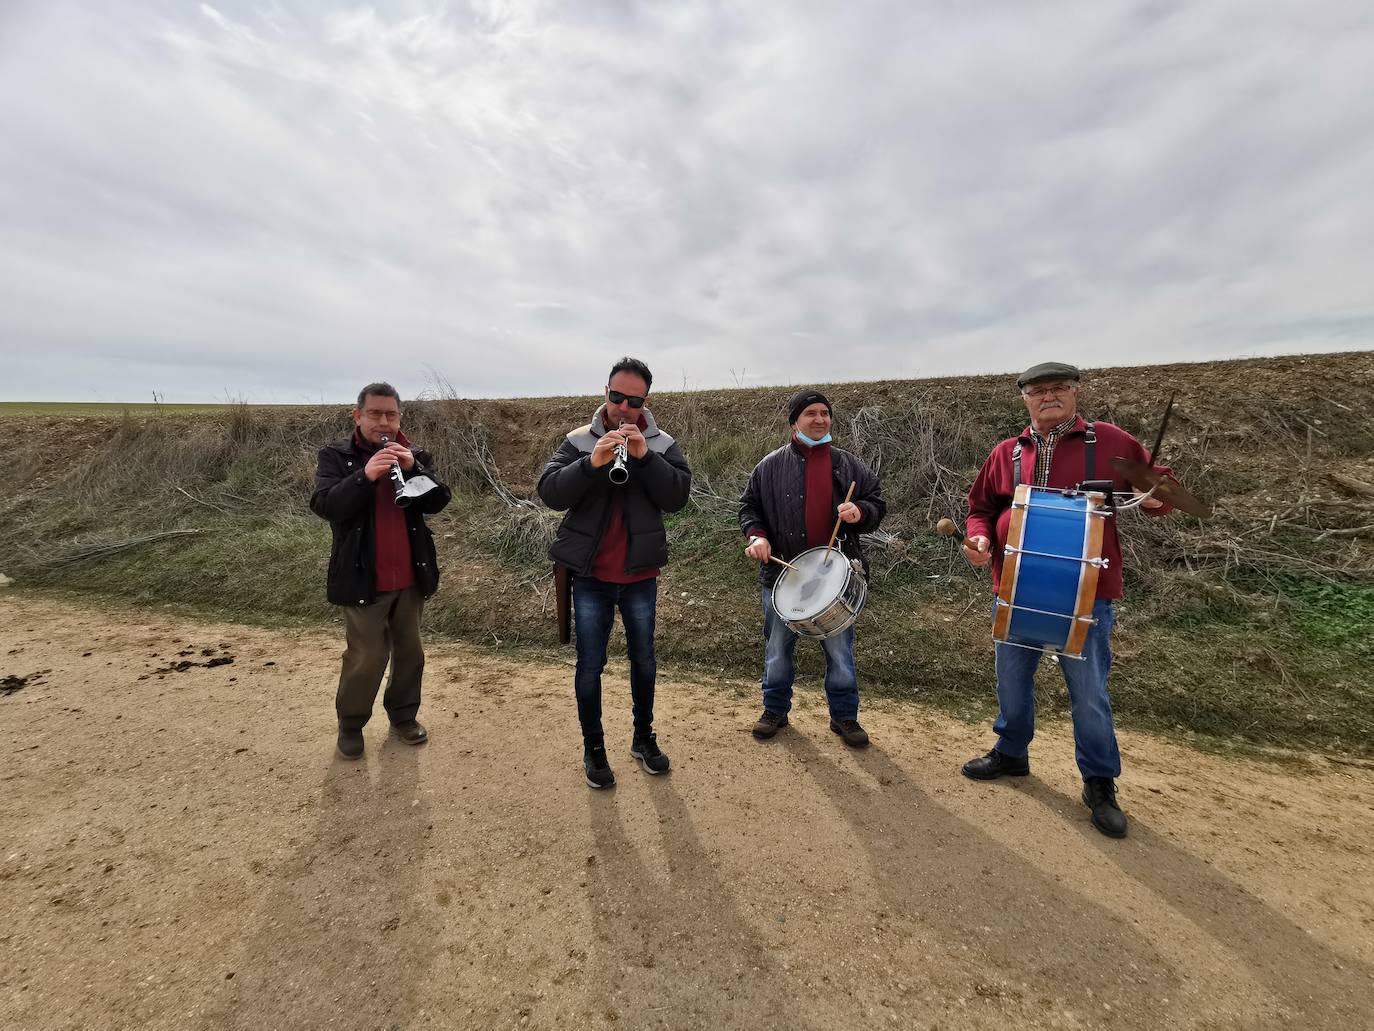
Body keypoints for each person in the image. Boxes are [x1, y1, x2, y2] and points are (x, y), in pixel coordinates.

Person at [960, 362, 1177, 838]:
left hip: (1087, 596)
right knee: (1012, 680)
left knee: (1090, 693)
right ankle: (1012, 751)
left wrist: (1156, 494)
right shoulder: (1006, 452)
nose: (1048, 396)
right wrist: (978, 541)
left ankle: (1100, 782)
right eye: (1038, 391)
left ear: (1076, 393)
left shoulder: (1111, 442)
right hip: (1015, 589)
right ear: (1025, 400)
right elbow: (981, 509)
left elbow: (1163, 493)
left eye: (1058, 388)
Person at [537, 357, 693, 789]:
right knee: (590, 666)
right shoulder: (578, 440)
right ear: (605, 393)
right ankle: (595, 748)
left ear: (645, 401)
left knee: (644, 662)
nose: (624, 407)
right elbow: (549, 491)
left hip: (640, 576)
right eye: (616, 396)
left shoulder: (662, 443)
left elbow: (678, 495)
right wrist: (590, 464)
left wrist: (644, 459)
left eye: (634, 400)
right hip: (590, 578)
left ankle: (643, 739)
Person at [309, 382, 451, 760]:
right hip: (363, 576)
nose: (383, 421)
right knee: (367, 655)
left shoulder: (414, 453)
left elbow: (439, 500)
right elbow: (325, 505)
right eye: (375, 414)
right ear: (358, 416)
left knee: (410, 653)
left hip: (410, 575)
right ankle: (351, 724)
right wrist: (365, 476)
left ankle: (403, 717)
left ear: (399, 416)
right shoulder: (336, 456)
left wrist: (414, 468)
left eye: (391, 414)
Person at [738, 389, 886, 747]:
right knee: (776, 648)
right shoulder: (769, 466)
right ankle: (774, 710)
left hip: (834, 579)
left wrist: (860, 512)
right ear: (794, 422)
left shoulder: (847, 464)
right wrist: (757, 536)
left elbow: (876, 501)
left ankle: (845, 717)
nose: (820, 419)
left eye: (825, 413)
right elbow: (749, 508)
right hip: (782, 575)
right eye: (811, 414)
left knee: (840, 652)